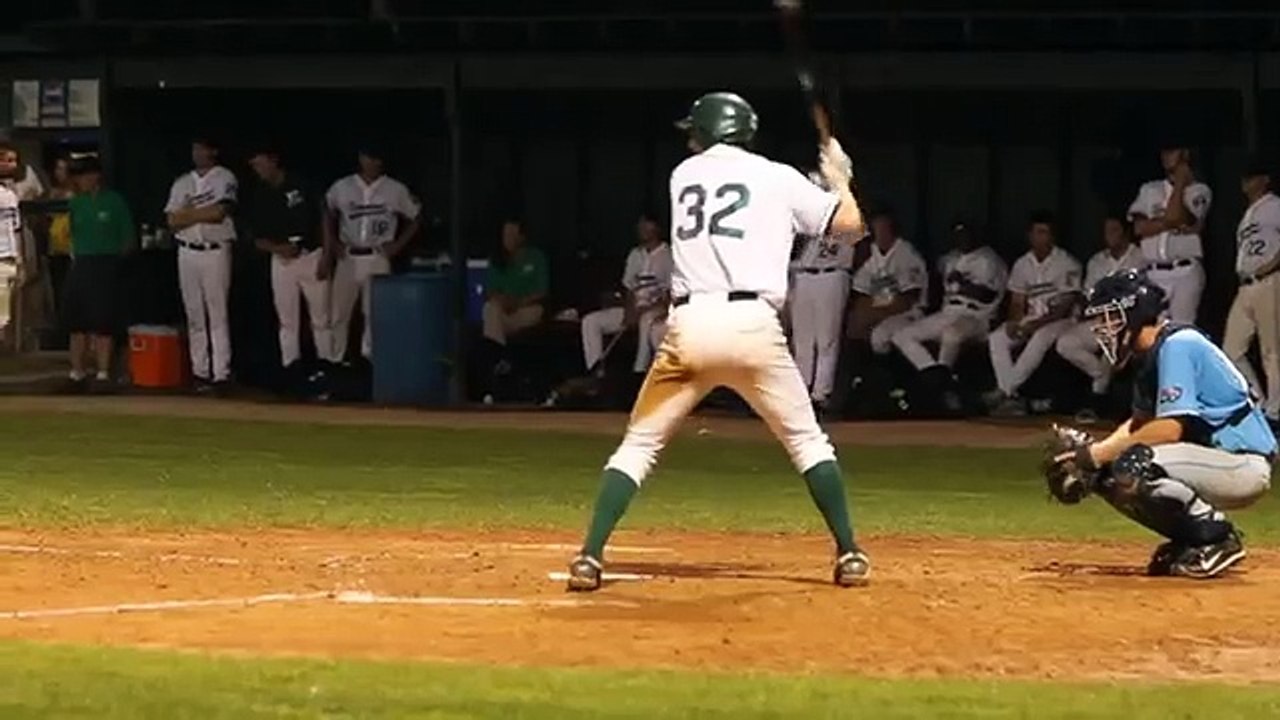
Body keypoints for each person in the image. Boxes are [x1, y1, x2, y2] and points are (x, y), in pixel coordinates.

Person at [565, 92, 871, 592]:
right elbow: (850, 227)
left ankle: (590, 556)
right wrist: (839, 179)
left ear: (709, 132)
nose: (690, 137)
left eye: (696, 129)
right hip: (754, 328)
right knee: (807, 441)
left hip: (689, 326)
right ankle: (850, 552)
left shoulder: (682, 175)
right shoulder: (778, 176)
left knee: (639, 445)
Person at [1051, 269, 1274, 579]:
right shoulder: (1151, 355)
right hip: (1211, 461)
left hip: (1242, 464)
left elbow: (1169, 429)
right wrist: (1094, 457)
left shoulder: (1179, 344)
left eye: (1110, 318)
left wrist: (1095, 454)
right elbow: (1139, 425)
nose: (1102, 328)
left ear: (1134, 313)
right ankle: (1193, 538)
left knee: (1134, 463)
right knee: (1107, 473)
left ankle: (1218, 539)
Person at [890, 219, 1007, 405]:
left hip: (977, 316)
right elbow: (932, 276)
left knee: (951, 334)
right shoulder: (949, 259)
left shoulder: (989, 260)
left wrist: (964, 282)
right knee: (901, 335)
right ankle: (938, 379)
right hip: (949, 312)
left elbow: (986, 295)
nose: (963, 239)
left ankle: (940, 387)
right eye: (958, 235)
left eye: (966, 234)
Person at [324, 144, 421, 363]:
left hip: (377, 255)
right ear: (361, 158)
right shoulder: (343, 186)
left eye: (376, 159)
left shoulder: (395, 189)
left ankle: (372, 363)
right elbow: (327, 212)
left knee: (375, 315)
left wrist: (398, 245)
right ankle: (335, 361)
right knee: (339, 313)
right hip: (348, 255)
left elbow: (416, 216)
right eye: (369, 158)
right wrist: (332, 244)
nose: (372, 163)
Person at [247, 145, 336, 377]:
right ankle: (291, 369)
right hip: (282, 260)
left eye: (260, 162)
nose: (257, 169)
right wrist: (278, 248)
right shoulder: (260, 194)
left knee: (321, 317)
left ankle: (326, 366)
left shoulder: (302, 184)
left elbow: (325, 217)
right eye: (254, 165)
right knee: (287, 319)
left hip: (310, 255)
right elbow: (255, 239)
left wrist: (327, 255)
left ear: (273, 160)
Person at [984, 211, 1082, 416]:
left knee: (1040, 337)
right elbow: (1017, 301)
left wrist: (1035, 325)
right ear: (1030, 235)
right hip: (1032, 318)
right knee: (998, 337)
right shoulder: (1022, 263)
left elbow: (1065, 306)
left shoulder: (1067, 262)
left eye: (1045, 233)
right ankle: (1010, 395)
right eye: (1037, 232)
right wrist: (1014, 322)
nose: (1041, 237)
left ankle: (1005, 391)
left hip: (1063, 321)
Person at [1055, 213, 1147, 422]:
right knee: (1065, 343)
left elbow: (1143, 295)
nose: (1109, 236)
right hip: (1101, 318)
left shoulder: (1140, 256)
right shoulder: (1097, 261)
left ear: (1125, 232)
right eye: (1106, 231)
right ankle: (1099, 376)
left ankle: (1097, 399)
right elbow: (1090, 295)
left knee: (1111, 342)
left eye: (1114, 230)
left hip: (1131, 321)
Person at [165, 136, 238, 392]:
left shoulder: (224, 177)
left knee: (217, 313)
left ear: (213, 151)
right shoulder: (182, 181)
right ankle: (200, 372)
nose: (197, 152)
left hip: (215, 250)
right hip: (187, 250)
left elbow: (220, 213)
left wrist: (187, 214)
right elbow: (171, 221)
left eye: (202, 148)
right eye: (195, 148)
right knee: (194, 314)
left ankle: (221, 373)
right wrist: (199, 214)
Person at [64, 155, 134, 390]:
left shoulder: (114, 202)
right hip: (82, 263)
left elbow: (128, 239)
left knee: (104, 321)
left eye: (84, 175)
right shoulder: (76, 203)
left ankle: (103, 372)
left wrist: (112, 260)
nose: (80, 181)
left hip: (107, 264)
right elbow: (71, 234)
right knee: (77, 322)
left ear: (95, 176)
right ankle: (77, 372)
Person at [788, 173, 856, 413]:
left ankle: (820, 394)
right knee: (802, 339)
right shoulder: (803, 218)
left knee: (826, 338)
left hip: (832, 275)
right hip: (803, 276)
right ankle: (801, 391)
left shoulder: (845, 212)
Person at [1223, 159, 1280, 429]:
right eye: (1244, 179)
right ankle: (1258, 403)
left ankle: (1275, 414)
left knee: (1272, 351)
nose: (1245, 183)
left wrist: (1273, 264)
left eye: (1251, 177)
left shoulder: (1274, 205)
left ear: (1264, 179)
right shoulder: (1249, 212)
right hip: (1245, 284)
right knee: (1231, 350)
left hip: (1269, 280)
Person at [1127, 144, 1211, 324]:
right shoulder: (1149, 189)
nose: (1166, 156)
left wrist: (1180, 182)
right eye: (1164, 151)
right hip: (1154, 271)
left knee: (1182, 329)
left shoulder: (1199, 190)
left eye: (1172, 151)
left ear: (1184, 154)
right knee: (1150, 330)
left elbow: (1182, 217)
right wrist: (1169, 223)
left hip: (1184, 270)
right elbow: (1140, 228)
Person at [579, 213, 672, 375]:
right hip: (633, 308)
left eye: (646, 224)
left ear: (657, 227)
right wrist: (630, 311)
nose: (641, 229)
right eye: (640, 225)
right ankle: (596, 372)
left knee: (646, 320)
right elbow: (629, 288)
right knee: (590, 321)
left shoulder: (668, 255)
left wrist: (648, 309)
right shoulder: (635, 254)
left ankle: (639, 371)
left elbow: (672, 292)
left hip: (657, 310)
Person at [846, 207, 927, 372]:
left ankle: (892, 382)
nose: (880, 233)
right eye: (877, 228)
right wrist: (870, 309)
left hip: (910, 314)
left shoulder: (907, 254)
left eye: (884, 228)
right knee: (854, 324)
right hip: (882, 310)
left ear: (893, 230)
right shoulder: (874, 253)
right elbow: (859, 292)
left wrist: (872, 309)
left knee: (880, 335)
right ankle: (864, 379)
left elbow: (908, 299)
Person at [0, 143, 22, 347]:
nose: (11, 165)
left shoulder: (11, 194)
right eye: (7, 160)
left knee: (4, 315)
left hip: (8, 254)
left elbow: (15, 228)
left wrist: (19, 256)